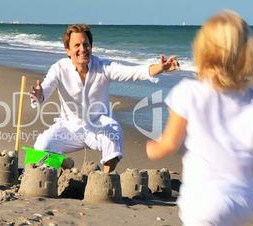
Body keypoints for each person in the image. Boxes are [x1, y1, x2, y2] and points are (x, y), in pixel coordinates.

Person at [146, 10, 253, 226]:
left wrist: (153, 148)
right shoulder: (250, 98)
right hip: (244, 203)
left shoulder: (189, 92)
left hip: (203, 199)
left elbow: (169, 144)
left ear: (204, 50)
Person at [30, 24, 180, 173]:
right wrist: (38, 95)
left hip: (99, 124)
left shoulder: (103, 67)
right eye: (77, 45)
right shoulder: (59, 68)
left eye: (86, 44)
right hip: (69, 127)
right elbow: (45, 89)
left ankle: (103, 179)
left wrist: (160, 68)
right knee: (41, 147)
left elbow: (133, 72)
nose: (82, 49)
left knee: (114, 135)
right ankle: (64, 163)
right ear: (68, 50)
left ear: (91, 46)